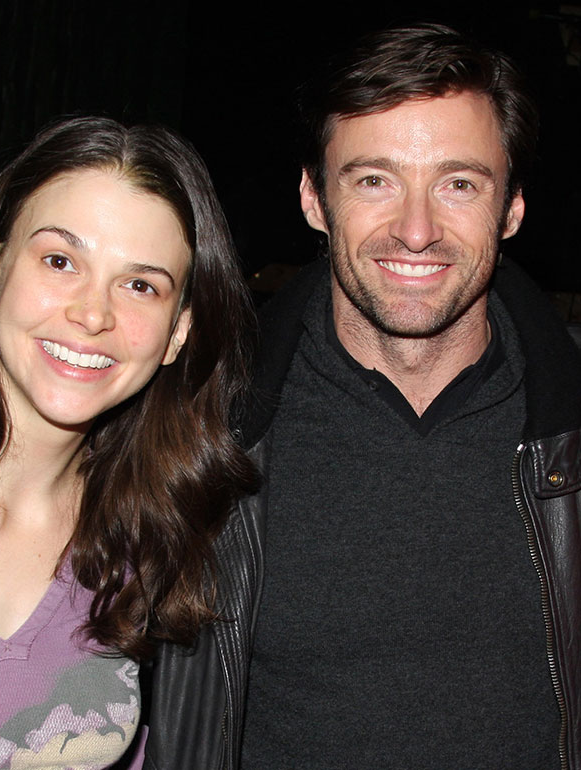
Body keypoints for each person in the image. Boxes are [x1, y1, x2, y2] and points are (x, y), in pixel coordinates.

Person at [141, 23, 581, 770]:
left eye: (459, 184)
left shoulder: (571, 429)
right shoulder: (196, 426)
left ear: (510, 210)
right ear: (314, 199)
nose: (416, 230)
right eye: (374, 179)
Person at [0, 116, 255, 769]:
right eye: (60, 260)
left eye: (141, 284)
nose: (92, 313)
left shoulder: (151, 543)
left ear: (176, 333)